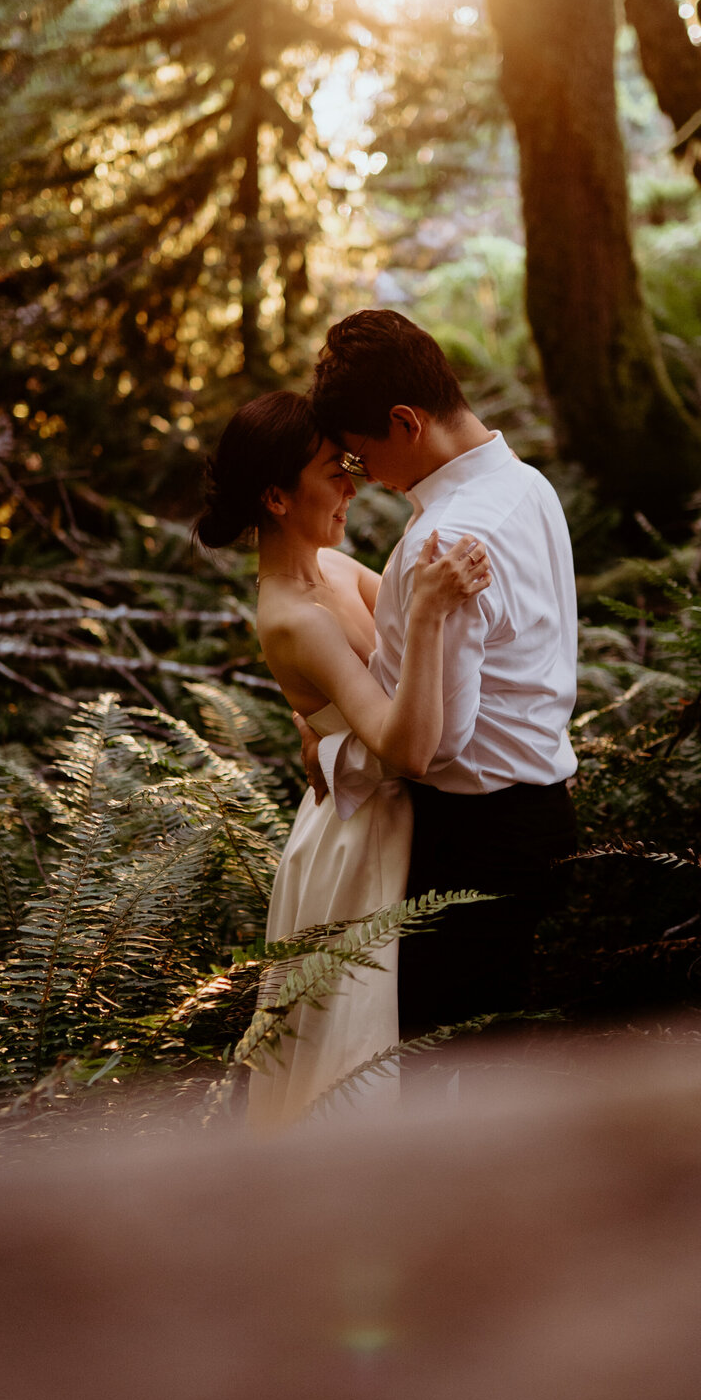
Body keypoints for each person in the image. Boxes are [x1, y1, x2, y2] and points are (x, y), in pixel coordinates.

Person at [195, 390, 490, 1129]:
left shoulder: (331, 566)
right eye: (335, 472)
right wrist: (425, 614)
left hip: (377, 820)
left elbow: (388, 646)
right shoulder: (292, 618)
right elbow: (399, 744)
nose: (354, 487)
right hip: (360, 845)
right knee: (358, 1053)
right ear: (276, 495)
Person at [305, 309, 578, 1053]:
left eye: (360, 457)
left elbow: (435, 744)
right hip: (538, 812)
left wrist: (327, 741)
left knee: (435, 1073)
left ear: (405, 421)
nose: (361, 479)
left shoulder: (441, 541)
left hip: (472, 840)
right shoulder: (528, 486)